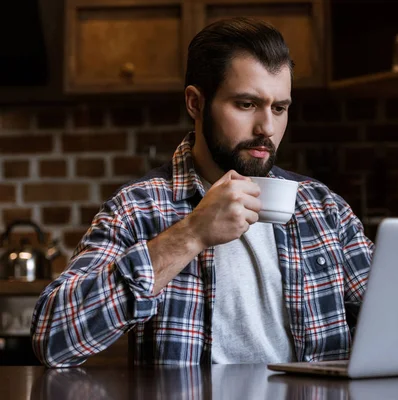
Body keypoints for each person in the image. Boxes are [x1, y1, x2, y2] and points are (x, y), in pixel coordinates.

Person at [31, 17, 374, 367]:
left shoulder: (324, 209)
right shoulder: (138, 208)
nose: (267, 127)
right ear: (195, 103)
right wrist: (191, 234)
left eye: (279, 108)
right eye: (246, 104)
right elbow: (53, 340)